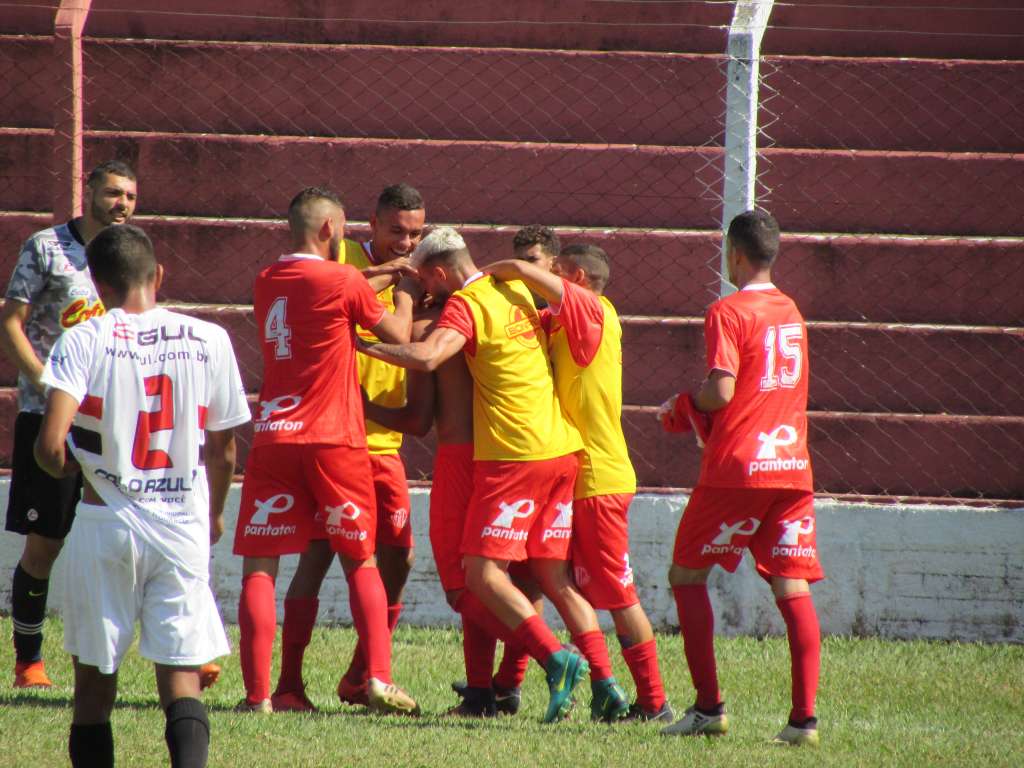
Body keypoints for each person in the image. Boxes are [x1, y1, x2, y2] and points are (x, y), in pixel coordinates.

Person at [360, 227, 628, 723]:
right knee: (533, 580)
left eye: (421, 280)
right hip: (560, 448)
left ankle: (550, 662)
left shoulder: (454, 312)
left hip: (486, 456)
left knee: (471, 583)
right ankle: (510, 690)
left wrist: (384, 315)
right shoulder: (516, 294)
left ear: (436, 277)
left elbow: (416, 366)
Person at [34, 224, 249, 768]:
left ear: (98, 286)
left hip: (105, 521)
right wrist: (216, 512)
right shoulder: (210, 339)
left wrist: (84, 476)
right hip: (182, 522)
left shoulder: (83, 339)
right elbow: (222, 450)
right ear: (159, 275)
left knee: (94, 683)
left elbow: (49, 445)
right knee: (181, 674)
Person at [232, 187, 419, 715]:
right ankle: (377, 679)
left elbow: (333, 292)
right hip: (333, 438)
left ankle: (259, 696)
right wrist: (403, 287)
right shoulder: (343, 280)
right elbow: (397, 331)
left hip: (274, 435)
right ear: (331, 229)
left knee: (260, 568)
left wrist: (383, 272)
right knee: (361, 560)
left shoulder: (267, 280)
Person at [484, 243, 671, 722]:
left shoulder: (592, 308)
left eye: (560, 274)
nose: (550, 284)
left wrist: (487, 274)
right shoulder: (566, 320)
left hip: (599, 479)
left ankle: (654, 703)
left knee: (616, 593)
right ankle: (514, 686)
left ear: (580, 278)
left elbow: (521, 270)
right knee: (548, 580)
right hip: (570, 472)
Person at [658, 210, 823, 746]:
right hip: (792, 467)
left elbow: (722, 391)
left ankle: (708, 709)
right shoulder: (792, 311)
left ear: (733, 253)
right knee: (790, 584)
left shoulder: (727, 310)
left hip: (738, 469)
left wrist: (686, 404)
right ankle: (803, 721)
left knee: (686, 576)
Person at [1, 160, 136, 688]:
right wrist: (46, 381)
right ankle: (28, 660)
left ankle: (127, 652)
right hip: (48, 416)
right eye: (112, 193)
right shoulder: (47, 247)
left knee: (124, 537)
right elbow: (10, 321)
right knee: (45, 542)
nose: (121, 204)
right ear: (88, 192)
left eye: (129, 195)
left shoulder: (131, 252)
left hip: (112, 419)